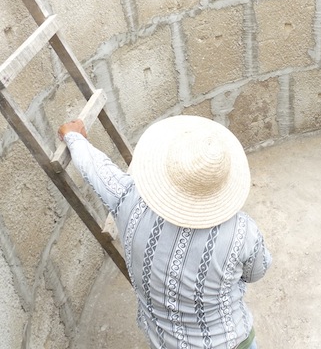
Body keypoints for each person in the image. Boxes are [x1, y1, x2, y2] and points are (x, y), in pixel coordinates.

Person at [58, 115, 272, 349]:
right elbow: (257, 272)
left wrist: (74, 137)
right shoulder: (242, 232)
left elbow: (96, 169)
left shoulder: (128, 200)